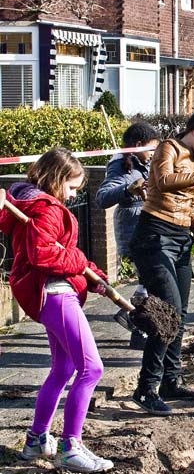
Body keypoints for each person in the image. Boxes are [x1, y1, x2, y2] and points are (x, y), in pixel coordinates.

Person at [0, 148, 113, 472]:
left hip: (51, 292)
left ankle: (36, 440)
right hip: (55, 292)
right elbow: (46, 256)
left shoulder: (34, 205)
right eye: (73, 187)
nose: (74, 194)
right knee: (92, 369)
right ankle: (70, 447)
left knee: (63, 370)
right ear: (57, 179)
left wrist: (96, 278)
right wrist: (81, 263)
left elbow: (64, 251)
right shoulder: (47, 209)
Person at [129, 109, 194, 416]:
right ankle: (146, 389)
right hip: (153, 238)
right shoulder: (169, 148)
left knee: (181, 315)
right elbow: (161, 182)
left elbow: (185, 207)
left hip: (181, 239)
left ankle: (170, 381)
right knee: (167, 313)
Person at [96, 122, 160, 349]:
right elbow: (102, 197)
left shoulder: (143, 162)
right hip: (133, 230)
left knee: (149, 281)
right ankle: (138, 325)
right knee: (151, 281)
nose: (153, 154)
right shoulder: (120, 166)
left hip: (147, 228)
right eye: (151, 149)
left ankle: (133, 318)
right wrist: (127, 189)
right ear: (138, 145)